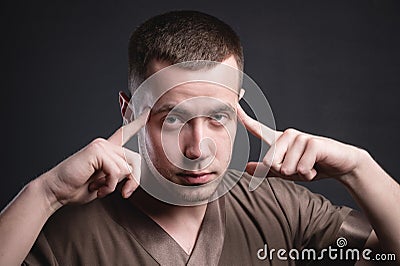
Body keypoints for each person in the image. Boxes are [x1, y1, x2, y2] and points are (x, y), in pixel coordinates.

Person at [0, 10, 399, 265]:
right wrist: (45, 194)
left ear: (240, 105)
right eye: (172, 120)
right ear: (128, 110)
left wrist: (359, 169)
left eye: (219, 117)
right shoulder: (60, 233)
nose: (198, 149)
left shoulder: (279, 206)